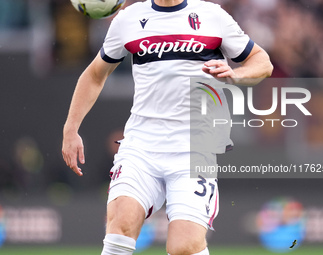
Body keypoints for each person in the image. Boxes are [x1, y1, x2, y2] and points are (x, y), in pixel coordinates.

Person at [62, 0, 273, 254]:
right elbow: (95, 74)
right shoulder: (129, 19)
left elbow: (262, 62)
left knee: (183, 247)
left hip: (194, 151)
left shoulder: (212, 16)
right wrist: (71, 128)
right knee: (120, 226)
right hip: (141, 147)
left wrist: (236, 74)